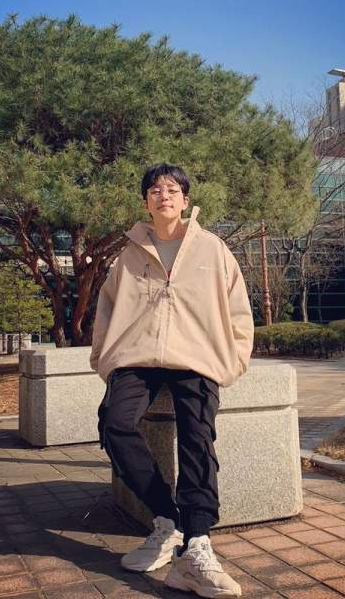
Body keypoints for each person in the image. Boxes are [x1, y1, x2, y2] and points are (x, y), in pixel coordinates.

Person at [90, 163, 254, 598]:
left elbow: (238, 307)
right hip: (138, 355)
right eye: (155, 190)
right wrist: (105, 359)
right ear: (146, 202)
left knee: (197, 436)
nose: (163, 195)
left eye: (172, 189)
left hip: (196, 356)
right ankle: (167, 521)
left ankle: (197, 545)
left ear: (185, 200)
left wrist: (233, 359)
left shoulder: (212, 248)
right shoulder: (128, 254)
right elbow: (106, 309)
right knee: (115, 424)